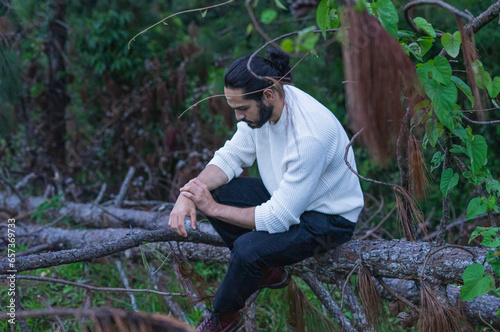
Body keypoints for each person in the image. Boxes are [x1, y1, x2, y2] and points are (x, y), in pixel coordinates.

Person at [168, 47, 364, 332]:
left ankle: (225, 317)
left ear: (269, 94)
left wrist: (209, 208)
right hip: (287, 197)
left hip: (328, 220)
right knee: (220, 191)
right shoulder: (262, 109)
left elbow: (278, 218)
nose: (237, 117)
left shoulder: (309, 134)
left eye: (241, 109)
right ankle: (271, 270)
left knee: (247, 250)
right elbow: (231, 156)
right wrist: (190, 193)